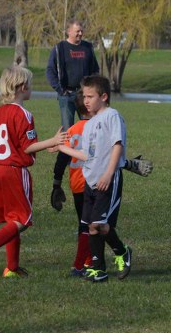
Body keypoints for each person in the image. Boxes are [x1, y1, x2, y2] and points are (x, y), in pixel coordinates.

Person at [0, 66, 66, 278]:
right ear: (23, 87)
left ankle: (12, 268)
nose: (31, 87)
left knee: (11, 220)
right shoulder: (24, 114)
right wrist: (53, 141)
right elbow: (27, 147)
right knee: (22, 220)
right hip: (14, 172)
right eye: (30, 84)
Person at [56, 75, 134, 282]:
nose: (86, 101)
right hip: (90, 182)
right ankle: (98, 270)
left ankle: (122, 251)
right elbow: (87, 155)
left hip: (107, 179)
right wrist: (62, 148)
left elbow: (117, 145)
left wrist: (108, 174)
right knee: (91, 227)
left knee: (100, 225)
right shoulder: (90, 124)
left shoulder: (112, 116)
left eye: (90, 96)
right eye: (84, 96)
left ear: (104, 96)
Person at [56, 93, 93, 276]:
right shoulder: (95, 128)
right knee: (93, 224)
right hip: (92, 183)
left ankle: (86, 260)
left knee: (83, 222)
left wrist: (56, 183)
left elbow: (62, 158)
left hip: (77, 184)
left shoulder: (72, 130)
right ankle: (86, 261)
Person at [46, 20, 99, 131]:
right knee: (67, 129)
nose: (80, 33)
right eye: (77, 31)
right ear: (69, 31)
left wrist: (91, 87)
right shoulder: (59, 48)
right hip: (66, 95)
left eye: (81, 31)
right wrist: (60, 89)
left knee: (89, 126)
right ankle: (66, 144)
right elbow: (50, 71)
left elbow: (95, 69)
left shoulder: (88, 47)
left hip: (84, 94)